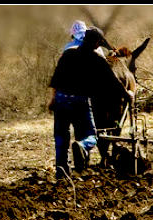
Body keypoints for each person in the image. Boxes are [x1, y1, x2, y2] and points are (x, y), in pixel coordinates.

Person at [48, 27, 133, 179]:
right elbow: (113, 82)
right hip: (79, 100)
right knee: (91, 135)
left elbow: (55, 79)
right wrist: (127, 94)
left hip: (60, 99)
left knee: (61, 138)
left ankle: (62, 172)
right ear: (96, 43)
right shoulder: (97, 59)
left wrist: (52, 99)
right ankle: (82, 146)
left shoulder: (68, 53)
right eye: (99, 43)